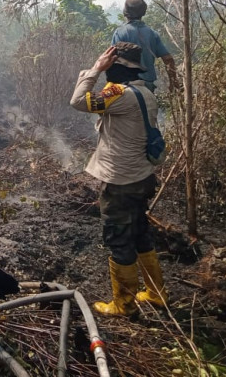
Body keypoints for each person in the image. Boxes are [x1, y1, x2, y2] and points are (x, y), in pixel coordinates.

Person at [70, 42, 168, 316]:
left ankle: (123, 304)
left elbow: (78, 102)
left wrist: (94, 69)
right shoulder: (145, 92)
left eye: (108, 66)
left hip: (121, 182)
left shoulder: (117, 92)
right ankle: (156, 293)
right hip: (142, 176)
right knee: (139, 233)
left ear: (115, 67)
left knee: (118, 238)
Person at [111, 0, 178, 92]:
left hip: (127, 86)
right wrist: (173, 82)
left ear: (125, 12)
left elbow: (112, 59)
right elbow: (168, 59)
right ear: (144, 12)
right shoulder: (152, 34)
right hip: (147, 86)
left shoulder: (120, 32)